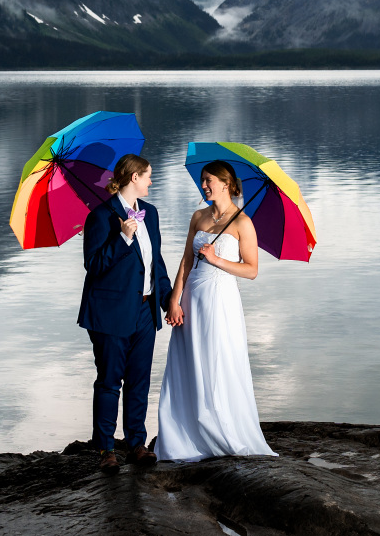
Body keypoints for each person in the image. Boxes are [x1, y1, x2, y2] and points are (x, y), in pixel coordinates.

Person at [155, 160, 277, 461]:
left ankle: (221, 430)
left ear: (226, 183)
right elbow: (186, 260)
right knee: (187, 361)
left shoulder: (243, 223)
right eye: (202, 180)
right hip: (191, 298)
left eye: (209, 180)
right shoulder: (198, 216)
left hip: (220, 301)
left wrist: (217, 259)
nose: (204, 185)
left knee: (217, 359)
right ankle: (185, 434)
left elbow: (251, 270)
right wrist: (174, 299)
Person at [78, 153, 175, 473]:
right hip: (110, 313)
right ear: (134, 177)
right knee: (109, 381)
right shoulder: (101, 217)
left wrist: (169, 301)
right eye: (148, 175)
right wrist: (123, 237)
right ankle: (106, 448)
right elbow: (94, 266)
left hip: (145, 311)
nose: (151, 180)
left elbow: (155, 263)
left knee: (139, 380)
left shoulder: (153, 214)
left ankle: (137, 444)